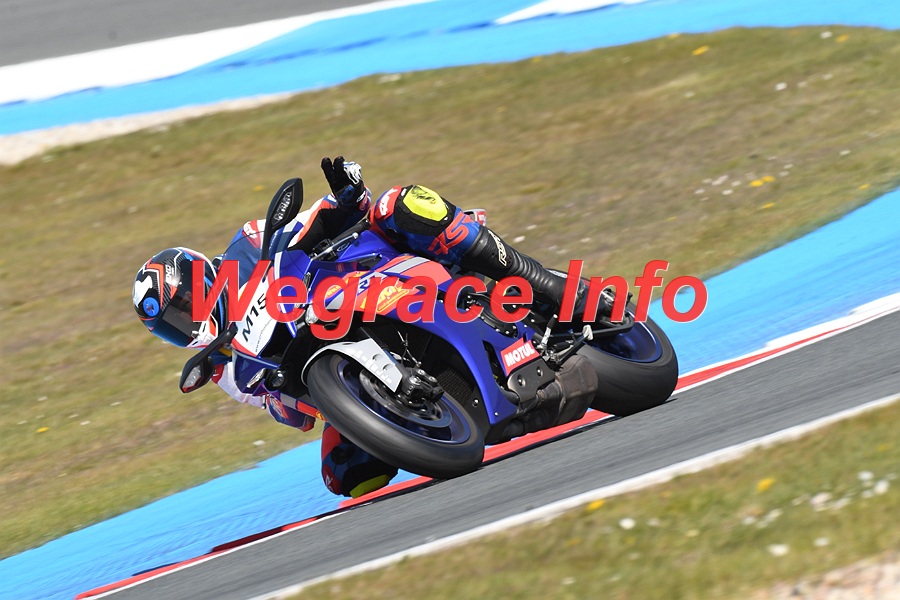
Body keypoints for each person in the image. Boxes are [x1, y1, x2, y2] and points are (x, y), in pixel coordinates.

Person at [133, 157, 587, 498]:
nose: (187, 321)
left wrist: (346, 197)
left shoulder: (248, 245)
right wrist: (286, 395)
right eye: (174, 325)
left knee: (398, 204)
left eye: (184, 305)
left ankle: (543, 283)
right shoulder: (227, 367)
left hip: (354, 276)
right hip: (325, 350)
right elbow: (294, 414)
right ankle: (441, 414)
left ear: (201, 276)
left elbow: (305, 225)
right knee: (344, 473)